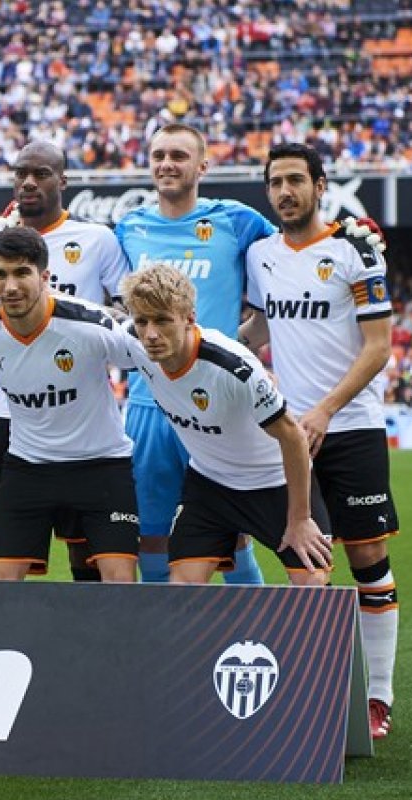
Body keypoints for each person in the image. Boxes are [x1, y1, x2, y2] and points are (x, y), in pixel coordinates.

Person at [241, 142, 400, 740]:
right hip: (290, 434)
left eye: (295, 181)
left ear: (320, 184)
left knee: (367, 561)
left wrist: (327, 410)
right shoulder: (261, 255)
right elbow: (259, 326)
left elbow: (378, 346)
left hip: (351, 427)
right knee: (307, 565)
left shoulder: (356, 249)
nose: (285, 192)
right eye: (275, 182)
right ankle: (322, 694)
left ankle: (377, 698)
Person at [113, 123, 275, 586]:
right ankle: (166, 641)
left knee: (234, 534)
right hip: (149, 403)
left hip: (221, 402)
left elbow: (284, 266)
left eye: (179, 155)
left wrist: (240, 342)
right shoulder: (130, 226)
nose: (166, 163)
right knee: (151, 534)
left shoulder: (238, 221)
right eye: (159, 154)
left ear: (202, 165)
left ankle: (251, 637)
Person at [118, 264, 332, 585]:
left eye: (163, 320)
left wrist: (300, 519)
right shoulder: (135, 343)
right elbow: (93, 315)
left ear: (190, 318)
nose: (150, 333)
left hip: (274, 484)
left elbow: (293, 437)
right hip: (211, 484)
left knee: (313, 587)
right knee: (181, 588)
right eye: (142, 321)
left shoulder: (233, 367)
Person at [0, 140, 131, 581]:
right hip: (12, 413)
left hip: (82, 415)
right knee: (9, 558)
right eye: (21, 172)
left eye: (41, 173)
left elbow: (125, 311)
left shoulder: (95, 239)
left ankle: (89, 645)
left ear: (62, 180)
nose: (29, 181)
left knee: (88, 558)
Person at [0, 227, 139, 582]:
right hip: (29, 468)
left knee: (120, 584)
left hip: (101, 465)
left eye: (22, 272)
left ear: (45, 276)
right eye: (0, 274)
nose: (10, 286)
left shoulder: (91, 324)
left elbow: (151, 357)